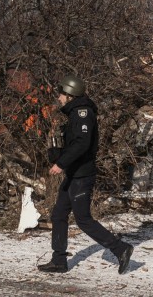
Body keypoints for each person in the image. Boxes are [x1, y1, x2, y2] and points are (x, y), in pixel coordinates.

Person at [38, 75, 134, 274]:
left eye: (61, 94)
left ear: (70, 94)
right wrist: (59, 154)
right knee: (59, 215)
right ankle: (59, 260)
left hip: (82, 176)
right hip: (73, 174)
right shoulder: (74, 113)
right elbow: (75, 144)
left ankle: (121, 248)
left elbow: (82, 144)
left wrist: (61, 163)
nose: (59, 97)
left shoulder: (83, 113)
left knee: (83, 219)